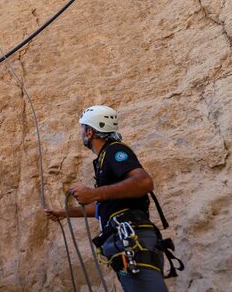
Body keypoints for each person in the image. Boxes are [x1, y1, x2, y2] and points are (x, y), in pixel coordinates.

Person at [45, 105, 171, 292]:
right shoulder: (104, 159)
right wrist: (65, 213)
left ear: (89, 132)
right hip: (125, 237)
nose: (82, 134)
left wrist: (94, 193)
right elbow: (104, 207)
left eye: (83, 129)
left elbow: (144, 182)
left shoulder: (114, 150)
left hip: (131, 236)